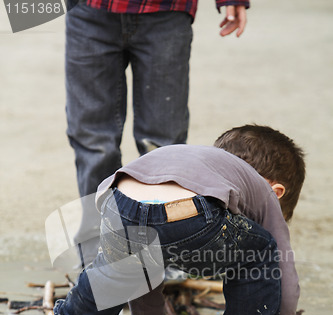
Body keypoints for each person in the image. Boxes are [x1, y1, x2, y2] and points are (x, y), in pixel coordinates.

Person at [27, 125, 306, 315]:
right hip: (190, 211)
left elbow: (144, 273)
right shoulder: (263, 189)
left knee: (116, 272)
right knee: (260, 251)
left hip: (118, 197)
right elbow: (285, 272)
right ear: (276, 191)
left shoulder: (200, 162)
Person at [65, 0, 250, 267]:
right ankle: (99, 256)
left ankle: (161, 255)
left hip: (166, 11)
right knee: (94, 143)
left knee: (163, 147)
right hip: (89, 11)